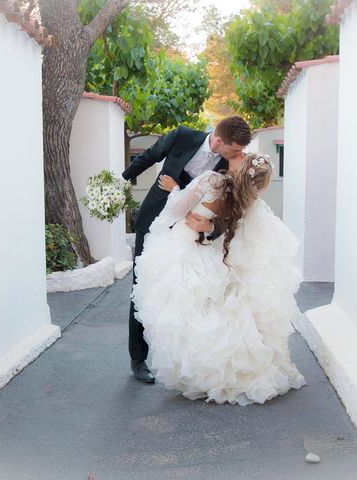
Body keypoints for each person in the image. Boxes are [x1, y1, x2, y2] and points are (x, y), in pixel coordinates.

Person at [131, 153, 306, 405]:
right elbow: (229, 227)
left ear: (241, 166)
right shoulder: (244, 198)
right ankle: (212, 370)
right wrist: (211, 228)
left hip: (183, 247)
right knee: (201, 311)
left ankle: (199, 370)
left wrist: (176, 189)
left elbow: (177, 210)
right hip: (207, 251)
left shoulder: (213, 180)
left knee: (183, 313)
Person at [122, 117, 252, 383]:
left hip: (190, 233)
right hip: (154, 221)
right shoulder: (182, 136)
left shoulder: (230, 163)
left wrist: (212, 227)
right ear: (218, 140)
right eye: (235, 149)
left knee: (187, 292)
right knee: (141, 286)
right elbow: (149, 156)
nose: (239, 155)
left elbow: (231, 205)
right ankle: (139, 359)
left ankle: (183, 358)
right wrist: (121, 181)